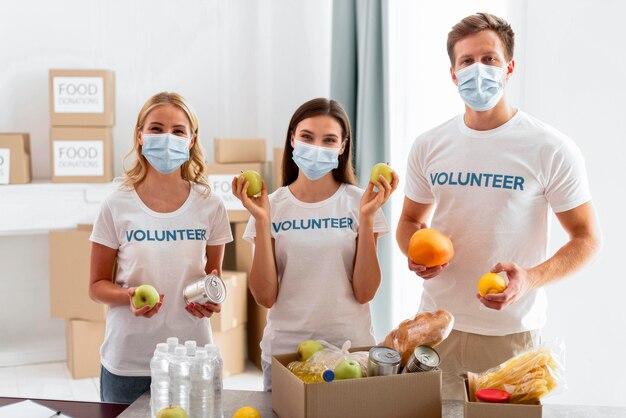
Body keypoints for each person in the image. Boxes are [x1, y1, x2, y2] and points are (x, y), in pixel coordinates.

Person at [396, 13, 600, 399]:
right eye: (467, 61)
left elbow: (587, 238)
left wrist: (530, 279)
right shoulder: (429, 146)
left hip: (511, 335)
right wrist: (412, 251)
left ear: (509, 67)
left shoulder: (550, 148)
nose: (478, 70)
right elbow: (409, 220)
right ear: (453, 74)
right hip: (436, 330)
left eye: (489, 59)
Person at [232, 98, 398, 391]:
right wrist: (261, 220)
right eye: (307, 137)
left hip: (350, 355)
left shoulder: (361, 203)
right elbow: (265, 296)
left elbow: (365, 291)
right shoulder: (272, 206)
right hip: (286, 355)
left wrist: (367, 217)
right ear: (293, 139)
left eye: (329, 140)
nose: (317, 147)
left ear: (343, 146)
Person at [89, 92, 233, 404]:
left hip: (193, 359)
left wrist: (213, 300)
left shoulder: (210, 205)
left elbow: (214, 278)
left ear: (192, 140)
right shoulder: (116, 204)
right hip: (127, 362)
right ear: (140, 136)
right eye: (156, 128)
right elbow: (96, 286)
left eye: (178, 131)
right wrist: (128, 296)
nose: (167, 137)